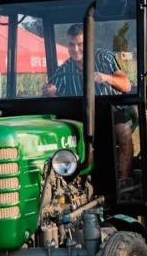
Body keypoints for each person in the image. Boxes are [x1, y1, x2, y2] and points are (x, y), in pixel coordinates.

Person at [43, 24, 134, 179]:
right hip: (80, 115)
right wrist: (49, 91)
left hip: (109, 111)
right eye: (71, 44)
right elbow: (50, 90)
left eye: (80, 44)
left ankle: (123, 181)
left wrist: (106, 77)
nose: (75, 49)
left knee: (123, 131)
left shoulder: (104, 58)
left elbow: (126, 85)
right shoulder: (64, 69)